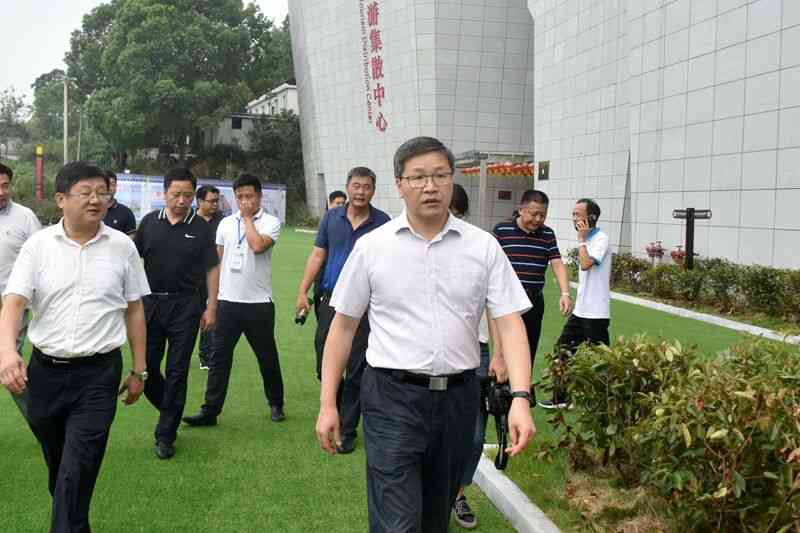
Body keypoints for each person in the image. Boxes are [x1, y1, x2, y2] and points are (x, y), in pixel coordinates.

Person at [315, 136, 536, 532]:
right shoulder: (373, 247)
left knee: (435, 519)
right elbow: (343, 327)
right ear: (400, 184)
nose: (430, 186)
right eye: (418, 177)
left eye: (440, 176)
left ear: (452, 180)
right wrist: (328, 403)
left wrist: (520, 397)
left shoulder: (482, 247)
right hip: (391, 398)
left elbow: (510, 322)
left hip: (458, 400)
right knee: (397, 524)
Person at [0, 161, 149, 533]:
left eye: (102, 192)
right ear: (61, 199)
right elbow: (14, 302)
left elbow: (134, 309)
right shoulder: (38, 245)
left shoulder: (123, 248)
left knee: (76, 468)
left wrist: (139, 370)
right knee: (62, 469)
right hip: (45, 374)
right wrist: (7, 351)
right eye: (86, 193)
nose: (96, 200)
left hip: (98, 375)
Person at [296, 168, 389, 453]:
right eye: (356, 186)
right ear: (348, 187)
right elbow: (318, 254)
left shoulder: (382, 223)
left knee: (357, 368)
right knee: (325, 361)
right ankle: (331, 412)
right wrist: (302, 291)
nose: (361, 192)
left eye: (367, 187)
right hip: (331, 301)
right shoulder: (331, 218)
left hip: (365, 307)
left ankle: (347, 429)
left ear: (373, 190)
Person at [183, 174, 287, 426]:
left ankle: (276, 403)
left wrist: (248, 219)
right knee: (219, 359)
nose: (244, 201)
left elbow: (257, 246)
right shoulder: (226, 224)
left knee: (267, 357)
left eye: (249, 196)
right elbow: (216, 263)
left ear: (259, 196)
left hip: (259, 303)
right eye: (239, 197)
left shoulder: (271, 222)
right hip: (227, 302)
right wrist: (212, 301)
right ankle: (210, 411)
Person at [135, 168, 220, 459]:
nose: (181, 201)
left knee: (177, 370)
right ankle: (170, 408)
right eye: (176, 195)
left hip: (186, 306)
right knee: (146, 368)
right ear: (164, 193)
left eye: (187, 195)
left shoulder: (201, 228)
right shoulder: (149, 223)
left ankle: (165, 435)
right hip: (150, 304)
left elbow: (212, 268)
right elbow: (132, 261)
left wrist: (211, 306)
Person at [492, 190, 572, 383]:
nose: (538, 219)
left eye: (542, 215)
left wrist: (565, 293)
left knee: (528, 349)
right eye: (533, 214)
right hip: (507, 301)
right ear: (521, 209)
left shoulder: (547, 234)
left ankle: (522, 389)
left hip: (533, 301)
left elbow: (557, 263)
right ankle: (498, 388)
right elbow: (490, 262)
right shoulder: (502, 230)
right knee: (503, 350)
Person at [540, 198, 612, 409]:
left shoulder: (601, 239)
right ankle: (561, 398)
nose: (574, 219)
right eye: (573, 214)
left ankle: (607, 401)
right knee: (562, 350)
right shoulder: (587, 240)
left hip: (596, 313)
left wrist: (581, 240)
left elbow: (586, 263)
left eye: (577, 215)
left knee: (601, 360)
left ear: (591, 218)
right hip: (581, 311)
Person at [0, 162, 42, 418]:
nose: (1, 192)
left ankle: (41, 420)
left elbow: (42, 260)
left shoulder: (25, 217)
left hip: (12, 305)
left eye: (5, 186)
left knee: (10, 365)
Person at [195, 185, 224, 370]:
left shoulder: (223, 222)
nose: (215, 205)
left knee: (211, 314)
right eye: (211, 201)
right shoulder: (190, 220)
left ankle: (207, 356)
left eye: (217, 201)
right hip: (191, 278)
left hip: (215, 276)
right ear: (199, 201)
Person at [311, 190, 348, 319]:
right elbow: (317, 254)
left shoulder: (347, 224)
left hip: (340, 275)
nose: (340, 206)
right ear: (329, 204)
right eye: (337, 203)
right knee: (320, 308)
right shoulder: (326, 222)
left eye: (343, 203)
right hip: (322, 273)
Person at [102, 170, 137, 236]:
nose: (108, 188)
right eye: (105, 184)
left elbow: (131, 237)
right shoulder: (91, 210)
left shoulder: (126, 213)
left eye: (112, 184)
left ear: (116, 187)